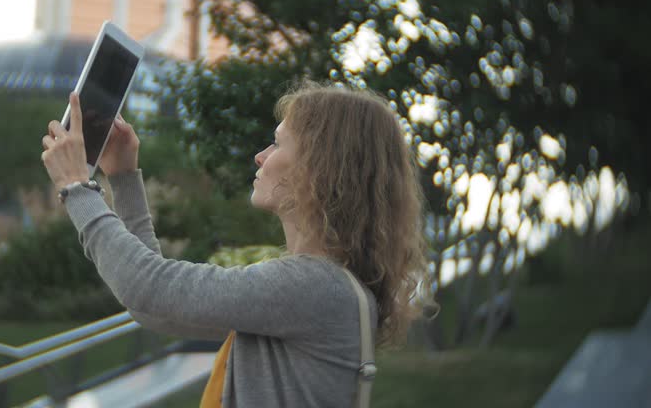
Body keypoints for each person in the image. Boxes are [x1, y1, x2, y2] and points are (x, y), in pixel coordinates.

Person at [41, 79, 432, 407]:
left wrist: (77, 187)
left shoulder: (311, 287)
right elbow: (156, 306)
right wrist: (123, 178)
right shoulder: (321, 286)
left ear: (321, 170)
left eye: (278, 144)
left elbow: (150, 289)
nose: (260, 156)